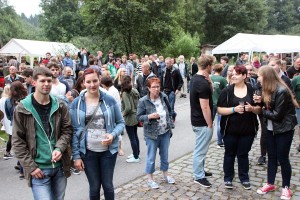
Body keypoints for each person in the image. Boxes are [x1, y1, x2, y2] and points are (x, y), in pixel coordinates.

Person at [12, 67, 73, 200]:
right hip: (38, 169)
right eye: (42, 81)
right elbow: (17, 141)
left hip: (59, 167)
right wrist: (31, 167)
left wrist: (59, 148)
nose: (46, 84)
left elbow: (67, 130)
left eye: (49, 81)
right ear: (33, 82)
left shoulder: (60, 105)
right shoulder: (22, 108)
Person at [71, 68, 124, 200]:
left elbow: (121, 122)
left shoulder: (109, 100)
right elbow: (73, 131)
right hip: (88, 152)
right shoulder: (77, 103)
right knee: (94, 187)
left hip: (108, 152)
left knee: (108, 185)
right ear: (83, 82)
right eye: (88, 82)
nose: (92, 84)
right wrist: (76, 156)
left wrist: (112, 135)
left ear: (99, 80)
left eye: (95, 81)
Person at [256, 66, 297, 200]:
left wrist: (261, 110)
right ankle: (270, 183)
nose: (258, 79)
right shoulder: (267, 89)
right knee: (271, 157)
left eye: (260, 76)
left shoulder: (282, 90)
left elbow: (277, 115)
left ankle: (286, 187)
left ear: (267, 77)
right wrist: (260, 101)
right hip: (270, 128)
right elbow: (270, 106)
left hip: (284, 128)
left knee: (283, 158)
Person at [217, 65, 261, 190]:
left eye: (237, 74)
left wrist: (252, 108)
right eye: (233, 74)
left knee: (243, 154)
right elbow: (219, 110)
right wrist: (233, 109)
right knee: (229, 154)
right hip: (230, 130)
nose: (233, 75)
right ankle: (228, 178)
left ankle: (244, 178)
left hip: (248, 130)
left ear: (244, 76)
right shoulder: (227, 91)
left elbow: (259, 109)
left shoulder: (252, 90)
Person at [137, 78, 175, 189]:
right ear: (148, 88)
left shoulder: (164, 97)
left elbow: (169, 110)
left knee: (165, 155)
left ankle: (165, 175)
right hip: (151, 134)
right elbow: (138, 117)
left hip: (165, 132)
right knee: (151, 157)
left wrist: (170, 122)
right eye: (154, 87)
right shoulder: (143, 101)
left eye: (158, 86)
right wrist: (149, 116)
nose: (156, 89)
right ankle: (150, 179)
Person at [190, 55, 215, 188]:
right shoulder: (202, 83)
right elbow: (205, 106)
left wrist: (210, 81)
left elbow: (210, 92)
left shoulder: (196, 78)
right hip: (202, 122)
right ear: (209, 66)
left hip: (197, 120)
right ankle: (198, 176)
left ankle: (201, 171)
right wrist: (210, 123)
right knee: (200, 150)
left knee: (202, 148)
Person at [101, 76, 125, 156]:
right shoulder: (112, 90)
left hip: (114, 112)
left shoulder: (111, 91)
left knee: (116, 130)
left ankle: (120, 148)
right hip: (115, 111)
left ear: (104, 84)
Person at [121, 76, 140, 162]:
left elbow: (128, 108)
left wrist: (123, 114)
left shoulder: (125, 93)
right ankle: (136, 153)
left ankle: (136, 157)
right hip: (136, 115)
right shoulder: (134, 91)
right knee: (135, 136)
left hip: (130, 118)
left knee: (132, 138)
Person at [210, 64, 228, 148]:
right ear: (221, 70)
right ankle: (219, 142)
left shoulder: (210, 78)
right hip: (220, 104)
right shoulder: (223, 79)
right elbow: (227, 91)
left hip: (211, 103)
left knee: (209, 122)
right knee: (220, 124)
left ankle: (207, 140)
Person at [161, 57, 183, 122]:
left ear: (171, 63)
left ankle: (170, 120)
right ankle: (173, 114)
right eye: (166, 63)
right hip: (165, 91)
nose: (166, 64)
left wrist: (178, 89)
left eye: (168, 63)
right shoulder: (163, 70)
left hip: (172, 91)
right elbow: (161, 80)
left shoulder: (176, 70)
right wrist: (161, 89)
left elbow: (181, 81)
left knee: (171, 106)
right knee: (165, 106)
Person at [0, 85, 12, 160]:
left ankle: (8, 152)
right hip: (9, 119)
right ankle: (7, 152)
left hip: (4, 119)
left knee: (10, 136)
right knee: (11, 137)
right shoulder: (8, 100)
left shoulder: (1, 99)